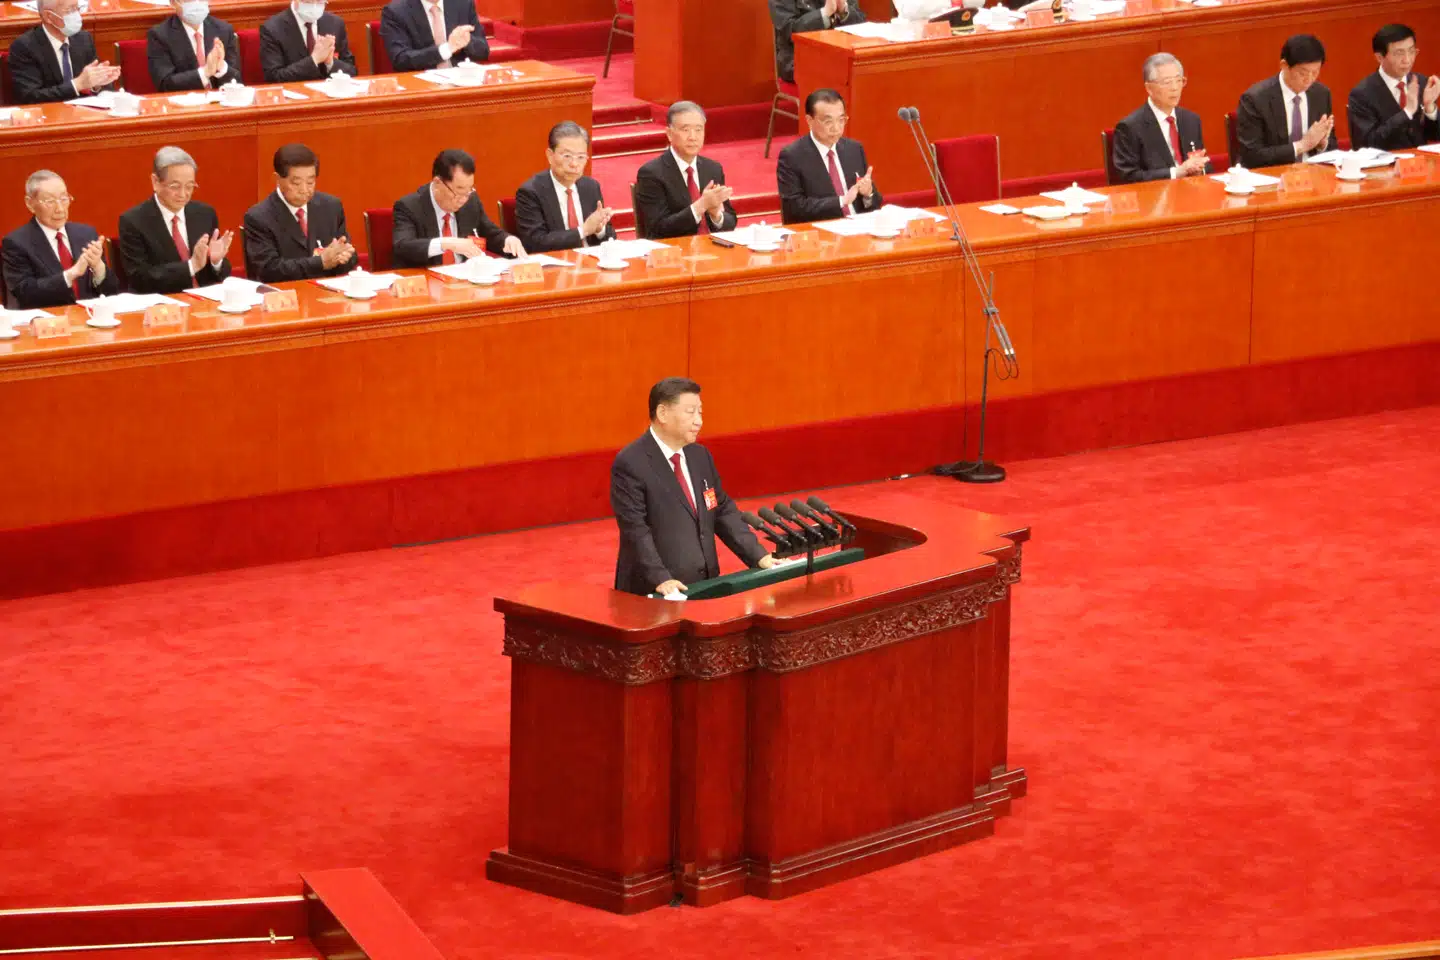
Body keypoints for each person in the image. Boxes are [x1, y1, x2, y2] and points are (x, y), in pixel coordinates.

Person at [611, 377, 777, 597]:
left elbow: (722, 510)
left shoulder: (700, 456)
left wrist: (759, 556)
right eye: (691, 412)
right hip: (656, 593)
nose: (699, 421)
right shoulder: (631, 462)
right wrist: (661, 578)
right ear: (662, 414)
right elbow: (635, 528)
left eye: (700, 412)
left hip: (706, 586)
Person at [118, 147, 233, 295]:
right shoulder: (133, 221)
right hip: (163, 308)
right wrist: (191, 266)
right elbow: (140, 279)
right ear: (155, 182)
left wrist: (216, 262)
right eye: (175, 186)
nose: (183, 194)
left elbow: (217, 276)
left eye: (190, 186)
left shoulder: (205, 214)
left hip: (206, 305)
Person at [2, 170, 119, 308]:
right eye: (50, 201)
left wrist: (99, 268)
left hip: (91, 320)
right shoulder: (16, 243)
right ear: (30, 204)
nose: (60, 209)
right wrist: (70, 275)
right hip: (49, 322)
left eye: (64, 199)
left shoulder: (86, 233)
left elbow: (112, 292)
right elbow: (25, 294)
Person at [391, 149, 523, 268]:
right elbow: (403, 246)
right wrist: (446, 243)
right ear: (437, 183)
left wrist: (507, 239)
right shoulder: (409, 207)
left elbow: (489, 232)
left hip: (465, 283)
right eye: (458, 191)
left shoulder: (470, 201)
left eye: (469, 190)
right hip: (428, 284)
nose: (463, 199)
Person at [242, 143, 355, 283]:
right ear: (277, 179)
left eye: (310, 182)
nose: (304, 189)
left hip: (328, 294)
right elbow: (268, 270)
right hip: (284, 297)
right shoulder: (258, 217)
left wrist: (343, 257)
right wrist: (320, 262)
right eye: (296, 183)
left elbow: (348, 257)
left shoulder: (331, 207)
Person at [633, 102, 737, 240]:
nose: (693, 137)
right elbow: (658, 229)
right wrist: (701, 205)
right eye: (685, 129)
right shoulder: (651, 174)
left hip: (712, 251)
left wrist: (716, 215)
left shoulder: (713, 168)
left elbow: (731, 222)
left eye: (698, 129)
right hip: (674, 254)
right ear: (669, 134)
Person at [777, 88, 881, 224]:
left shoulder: (854, 149)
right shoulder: (792, 157)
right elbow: (794, 209)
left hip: (860, 228)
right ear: (809, 120)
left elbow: (874, 203)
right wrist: (841, 201)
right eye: (828, 121)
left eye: (841, 120)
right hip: (821, 234)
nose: (836, 128)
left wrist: (868, 194)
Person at [1235, 34, 1338, 168]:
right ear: (1284, 65)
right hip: (1272, 177)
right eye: (1303, 73)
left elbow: (1332, 146)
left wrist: (1321, 144)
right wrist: (1301, 146)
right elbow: (1252, 156)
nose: (1309, 79)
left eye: (1315, 72)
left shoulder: (1321, 94)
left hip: (1313, 176)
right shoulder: (1255, 99)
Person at [513, 121, 616, 252]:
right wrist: (583, 230)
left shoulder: (590, 186)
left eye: (581, 157)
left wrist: (599, 229)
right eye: (567, 156)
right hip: (555, 267)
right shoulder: (531, 192)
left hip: (591, 264)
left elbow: (610, 238)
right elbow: (535, 243)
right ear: (550, 155)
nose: (574, 164)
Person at [1112, 53, 1210, 183]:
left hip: (1191, 193)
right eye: (1167, 82)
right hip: (1154, 198)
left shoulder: (1191, 120)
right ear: (1149, 88)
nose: (1175, 88)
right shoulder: (1130, 128)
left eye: (1179, 80)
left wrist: (1200, 169)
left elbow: (1203, 164)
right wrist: (1177, 172)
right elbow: (1128, 177)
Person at [7, 0, 121, 104]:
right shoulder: (25, 47)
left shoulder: (83, 39)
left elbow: (97, 87)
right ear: (48, 16)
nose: (76, 15)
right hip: (49, 119)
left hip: (82, 115)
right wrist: (77, 85)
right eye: (70, 10)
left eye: (77, 8)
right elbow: (30, 97)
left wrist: (98, 83)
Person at [1347, 24, 1440, 150]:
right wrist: (1406, 112)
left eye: (1411, 51)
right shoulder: (1362, 94)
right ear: (1379, 57)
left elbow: (1435, 135)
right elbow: (1367, 144)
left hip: (1418, 164)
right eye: (1399, 53)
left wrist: (1430, 108)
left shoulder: (1421, 82)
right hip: (1384, 167)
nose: (1407, 60)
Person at [146, 0, 241, 92]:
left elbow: (237, 80)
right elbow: (165, 85)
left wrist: (222, 68)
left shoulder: (224, 30)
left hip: (220, 102)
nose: (196, 3)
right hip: (183, 105)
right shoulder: (159, 35)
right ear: (173, 3)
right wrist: (205, 72)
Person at [258, 0, 356, 83]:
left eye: (320, 2)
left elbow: (352, 70)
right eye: (309, 1)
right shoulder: (272, 29)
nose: (314, 6)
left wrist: (330, 63)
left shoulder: (335, 23)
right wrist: (314, 59)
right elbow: (274, 77)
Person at [769, 0, 865, 85]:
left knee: (866, 69)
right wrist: (825, 13)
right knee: (838, 72)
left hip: (839, 56)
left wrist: (844, 11)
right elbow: (790, 30)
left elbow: (860, 22)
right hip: (797, 59)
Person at [379, 0, 488, 72]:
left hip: (461, 84)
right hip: (422, 89)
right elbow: (400, 59)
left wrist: (467, 41)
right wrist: (447, 49)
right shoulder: (395, 12)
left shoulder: (463, 3)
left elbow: (484, 51)